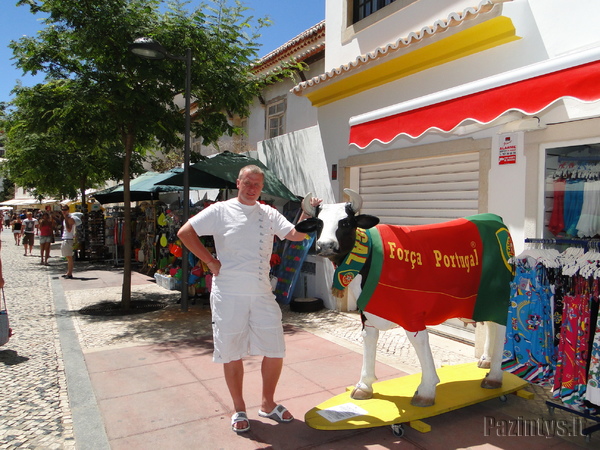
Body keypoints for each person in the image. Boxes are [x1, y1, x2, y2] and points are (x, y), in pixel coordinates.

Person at [177, 165, 321, 434]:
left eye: (257, 184)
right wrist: (209, 261)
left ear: (261, 187)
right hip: (228, 292)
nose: (253, 188)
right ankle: (239, 408)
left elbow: (295, 235)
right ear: (238, 183)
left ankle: (267, 404)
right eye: (248, 182)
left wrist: (308, 212)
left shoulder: (268, 212)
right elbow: (185, 232)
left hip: (261, 291)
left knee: (276, 348)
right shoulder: (220, 210)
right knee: (231, 352)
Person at [60, 206, 76, 279]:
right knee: (67, 256)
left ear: (68, 210)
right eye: (63, 210)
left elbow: (69, 229)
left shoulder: (70, 218)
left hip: (68, 239)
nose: (64, 211)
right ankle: (68, 272)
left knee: (69, 257)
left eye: (65, 210)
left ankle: (70, 273)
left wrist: (66, 219)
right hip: (65, 238)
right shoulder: (65, 219)